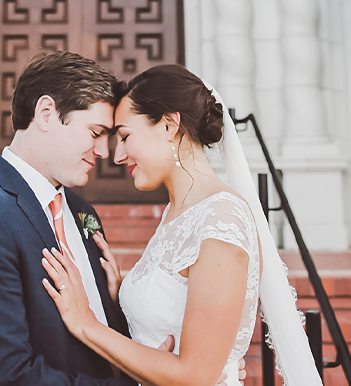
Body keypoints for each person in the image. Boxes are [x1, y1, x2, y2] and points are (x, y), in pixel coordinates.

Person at [0, 52, 241, 386]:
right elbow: (3, 378)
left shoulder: (82, 213)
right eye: (96, 133)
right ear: (46, 113)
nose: (106, 153)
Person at [41, 64, 322, 385]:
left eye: (125, 136)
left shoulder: (221, 219)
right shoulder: (177, 213)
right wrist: (124, 292)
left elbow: (194, 376)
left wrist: (86, 324)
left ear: (169, 125)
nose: (116, 155)